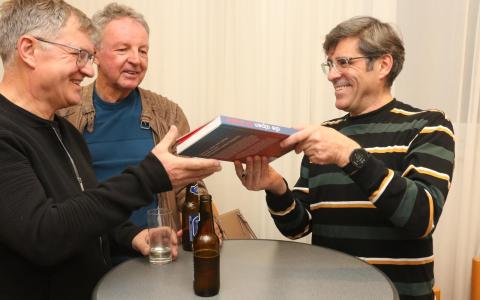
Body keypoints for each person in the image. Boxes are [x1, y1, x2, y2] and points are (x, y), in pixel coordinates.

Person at [0, 1, 221, 299]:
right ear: (28, 50)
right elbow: (45, 235)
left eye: (89, 56)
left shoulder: (62, 131)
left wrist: (132, 236)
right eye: (79, 54)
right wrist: (150, 175)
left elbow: (81, 211)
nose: (88, 69)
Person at [234, 16, 454, 300]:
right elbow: (299, 226)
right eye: (330, 64)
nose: (332, 75)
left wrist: (349, 155)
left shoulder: (428, 126)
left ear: (383, 65)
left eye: (345, 62)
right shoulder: (327, 133)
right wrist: (275, 187)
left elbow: (421, 217)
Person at [57, 3, 222, 248]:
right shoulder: (64, 112)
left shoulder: (168, 113)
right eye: (123, 49)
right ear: (96, 54)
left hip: (157, 253)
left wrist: (208, 222)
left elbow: (188, 186)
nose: (136, 60)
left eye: (143, 51)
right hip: (89, 252)